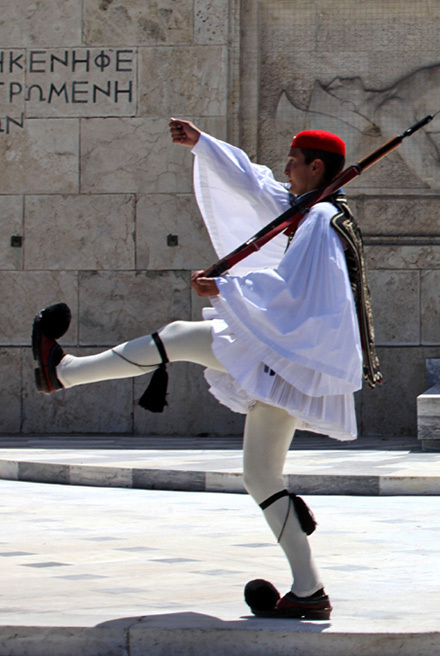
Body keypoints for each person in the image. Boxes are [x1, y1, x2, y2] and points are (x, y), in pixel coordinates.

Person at [30, 119, 383, 620]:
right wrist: (204, 145)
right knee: (261, 477)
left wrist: (228, 289)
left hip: (284, 356)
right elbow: (254, 182)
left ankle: (61, 373)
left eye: (293, 161)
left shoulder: (321, 220)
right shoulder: (302, 208)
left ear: (316, 167)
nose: (285, 169)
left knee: (178, 337)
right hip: (289, 364)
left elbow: (296, 290)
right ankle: (309, 591)